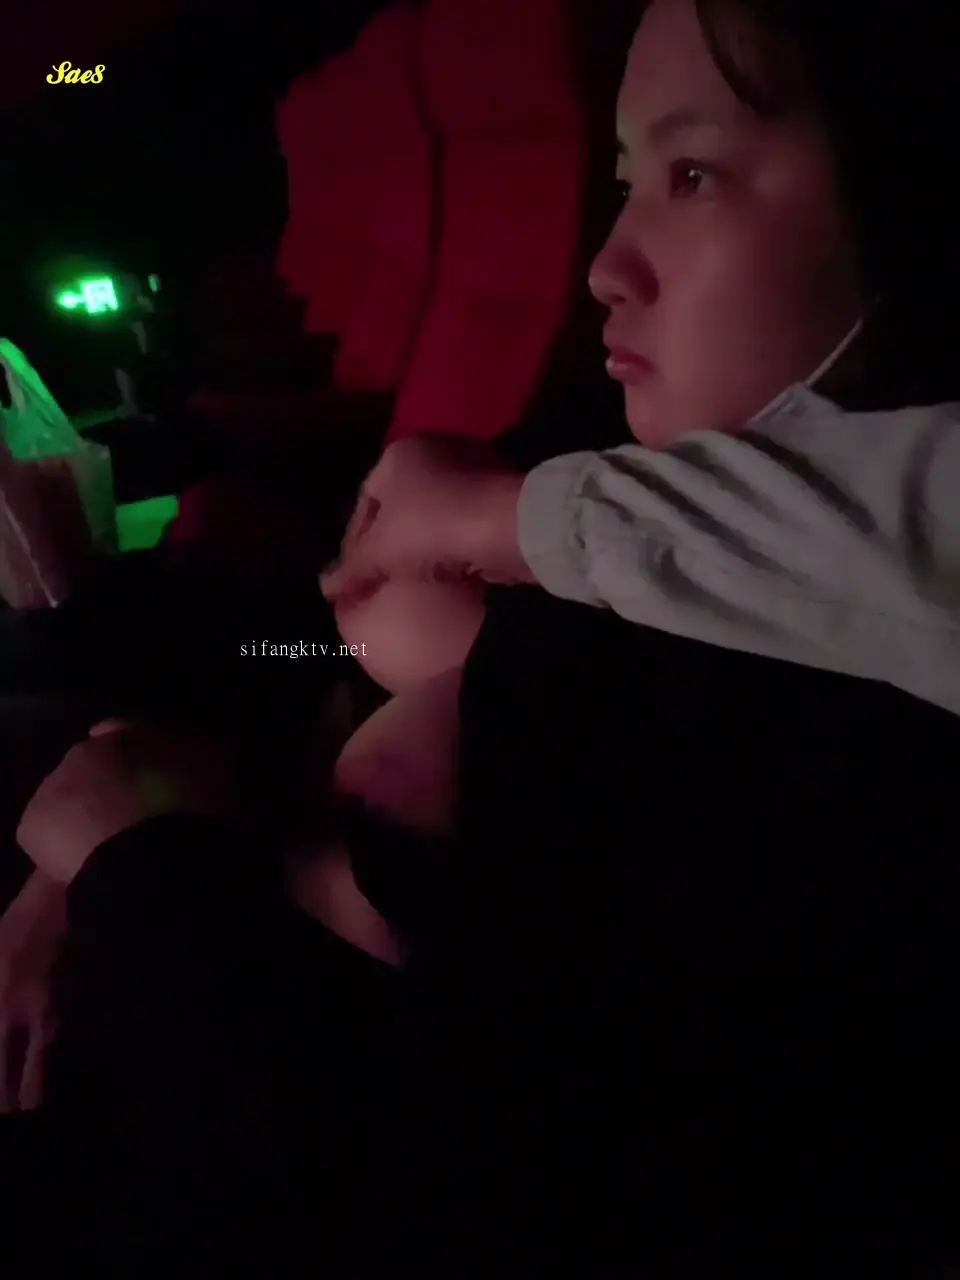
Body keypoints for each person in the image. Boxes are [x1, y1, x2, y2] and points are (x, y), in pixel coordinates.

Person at [8, 0, 960, 1271]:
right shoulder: (613, 473)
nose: (606, 265)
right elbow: (315, 632)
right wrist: (132, 765)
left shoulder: (841, 738)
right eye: (626, 180)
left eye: (693, 174)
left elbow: (467, 1177)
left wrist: (130, 864)